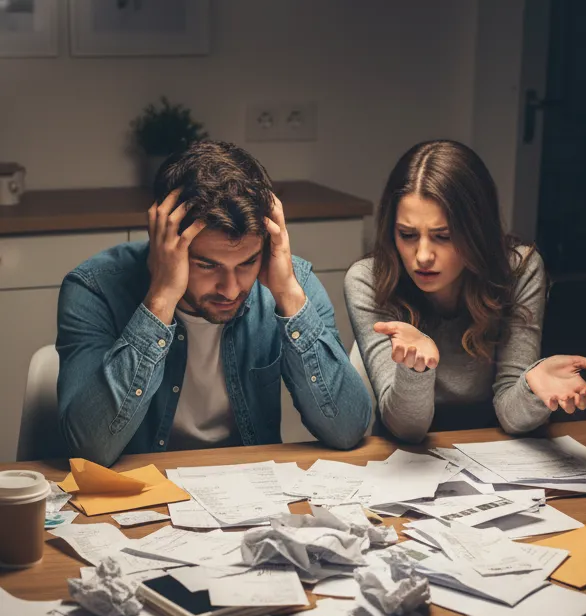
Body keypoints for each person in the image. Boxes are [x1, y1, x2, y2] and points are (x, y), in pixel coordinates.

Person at [56, 140, 372, 466]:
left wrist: (289, 295)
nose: (231, 290)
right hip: (141, 496)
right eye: (207, 265)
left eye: (247, 263)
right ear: (163, 243)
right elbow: (89, 450)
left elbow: (346, 429)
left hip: (248, 495)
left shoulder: (290, 282)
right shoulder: (94, 289)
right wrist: (162, 298)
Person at [345, 139, 586, 442]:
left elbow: (512, 417)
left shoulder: (517, 269)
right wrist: (416, 369)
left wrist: (532, 388)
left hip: (496, 447)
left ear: (476, 230)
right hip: (404, 458)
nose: (423, 256)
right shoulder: (369, 280)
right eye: (407, 235)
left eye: (443, 236)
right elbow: (406, 428)